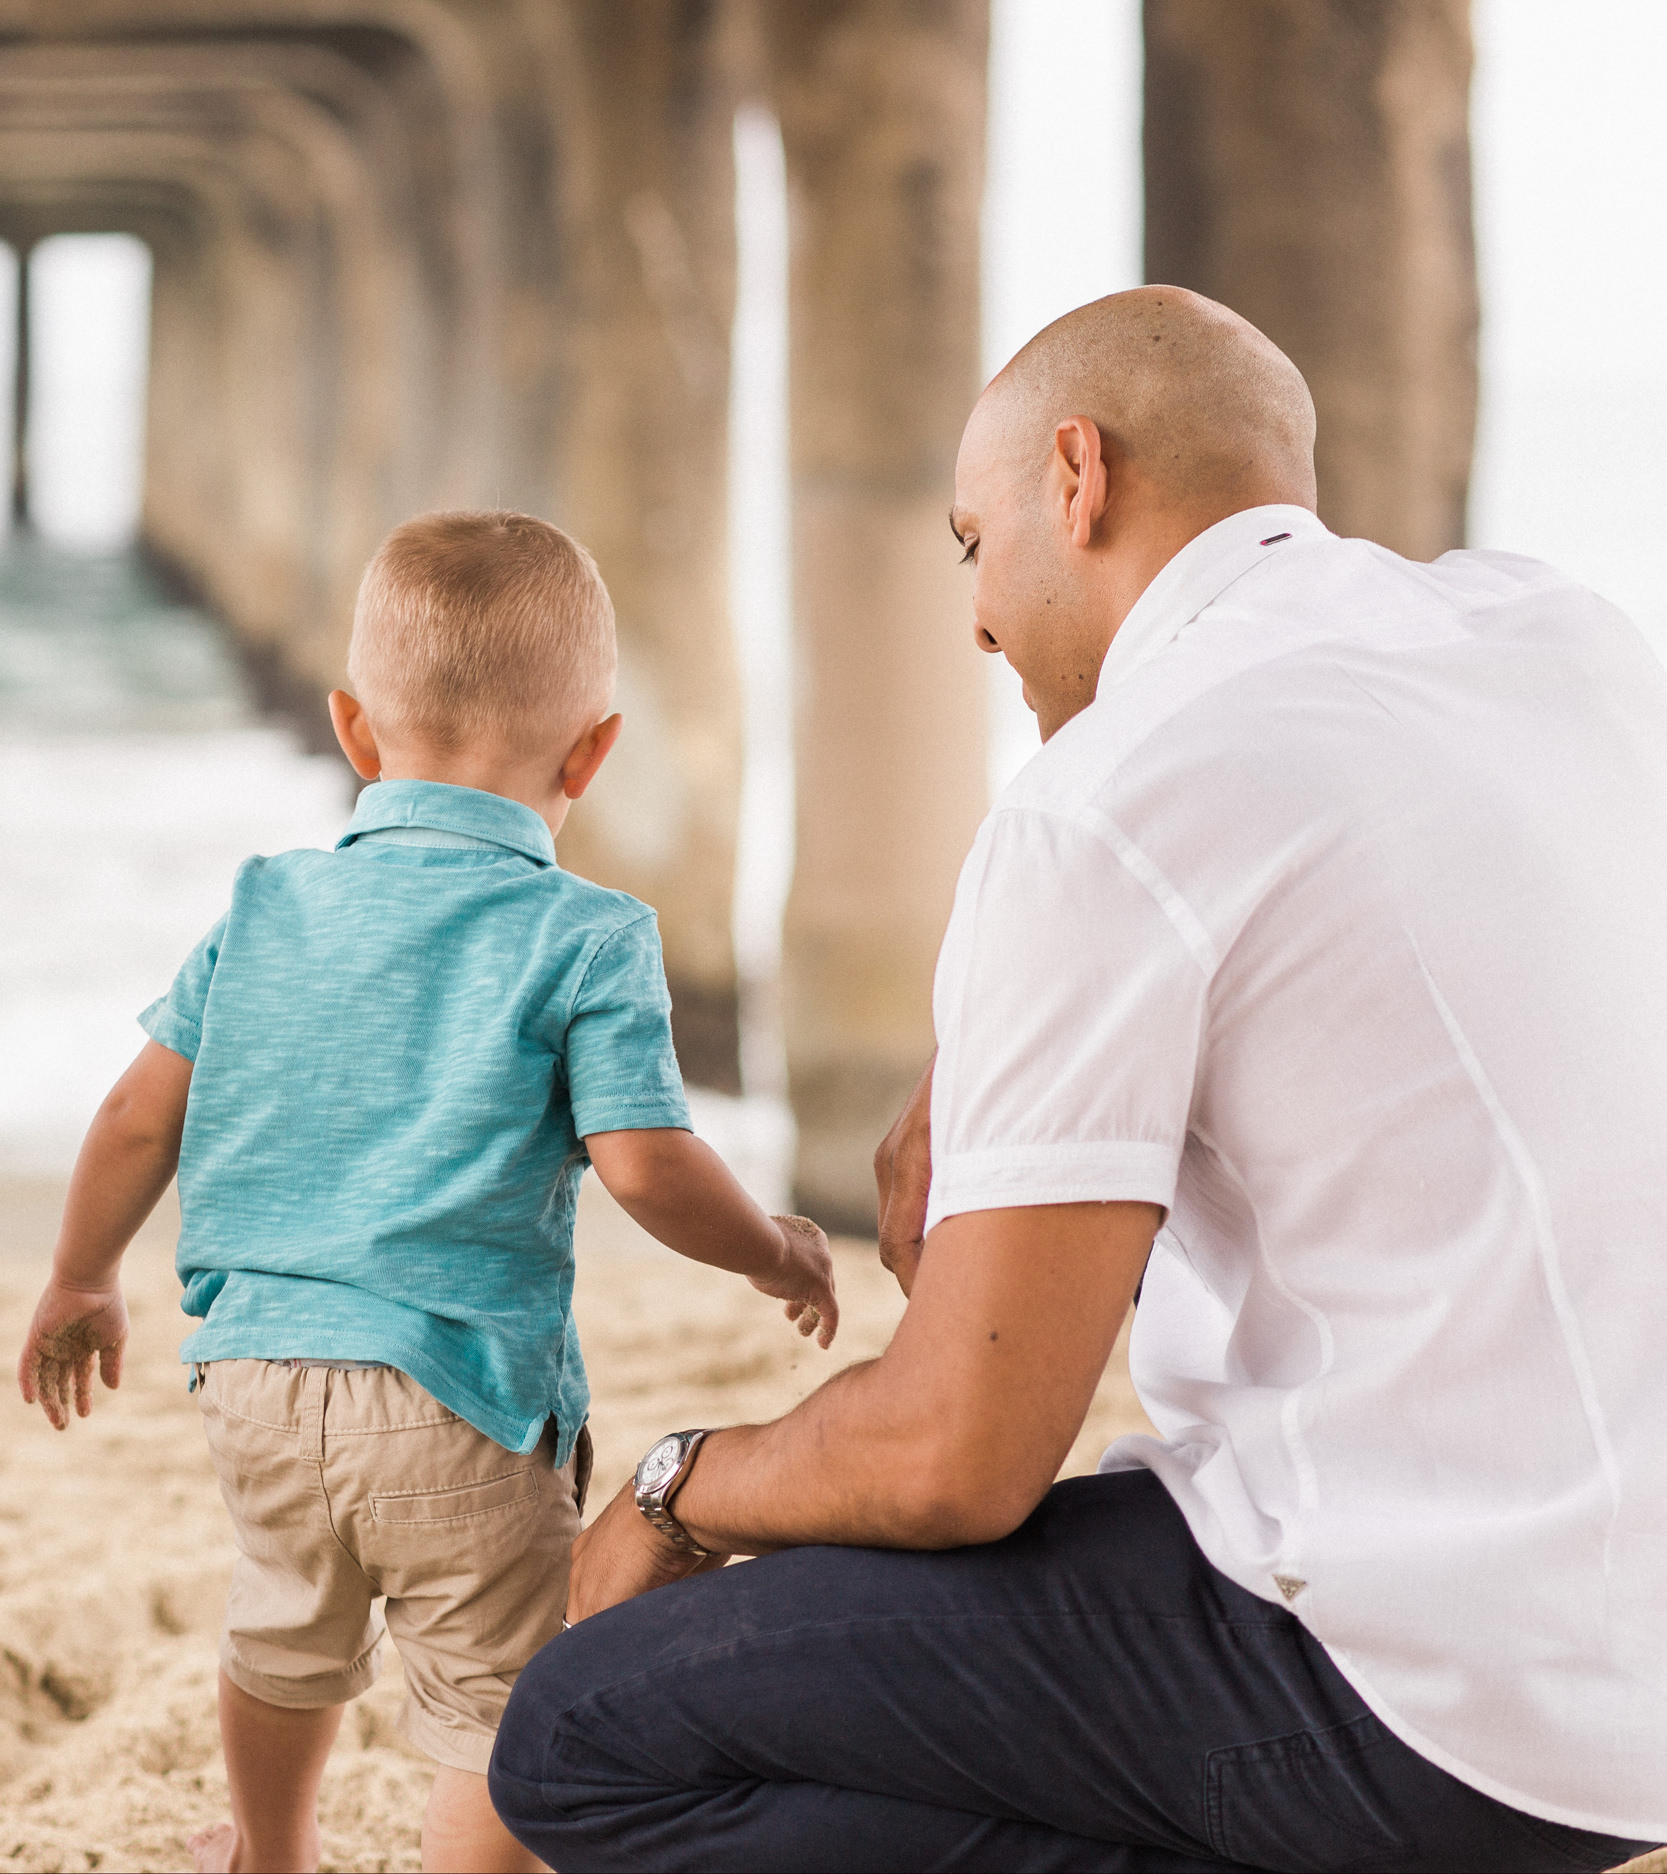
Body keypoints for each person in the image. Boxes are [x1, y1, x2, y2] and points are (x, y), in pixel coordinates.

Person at [488, 289, 1667, 1873]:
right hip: (1633, 1662)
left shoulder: (1106, 798)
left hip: (1445, 1708)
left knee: (584, 1732)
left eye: (974, 547)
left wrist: (680, 1484)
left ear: (1076, 478)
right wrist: (979, 1038)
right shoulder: (1559, 636)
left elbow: (956, 1458)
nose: (974, 624)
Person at [15, 510, 839, 1874]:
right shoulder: (589, 934)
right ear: (594, 749)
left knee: (282, 1632)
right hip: (460, 1395)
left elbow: (133, 1114)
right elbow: (643, 1161)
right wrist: (768, 1246)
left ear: (352, 728)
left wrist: (82, 1273)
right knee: (496, 1691)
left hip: (258, 1377)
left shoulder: (264, 903)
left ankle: (273, 1851)